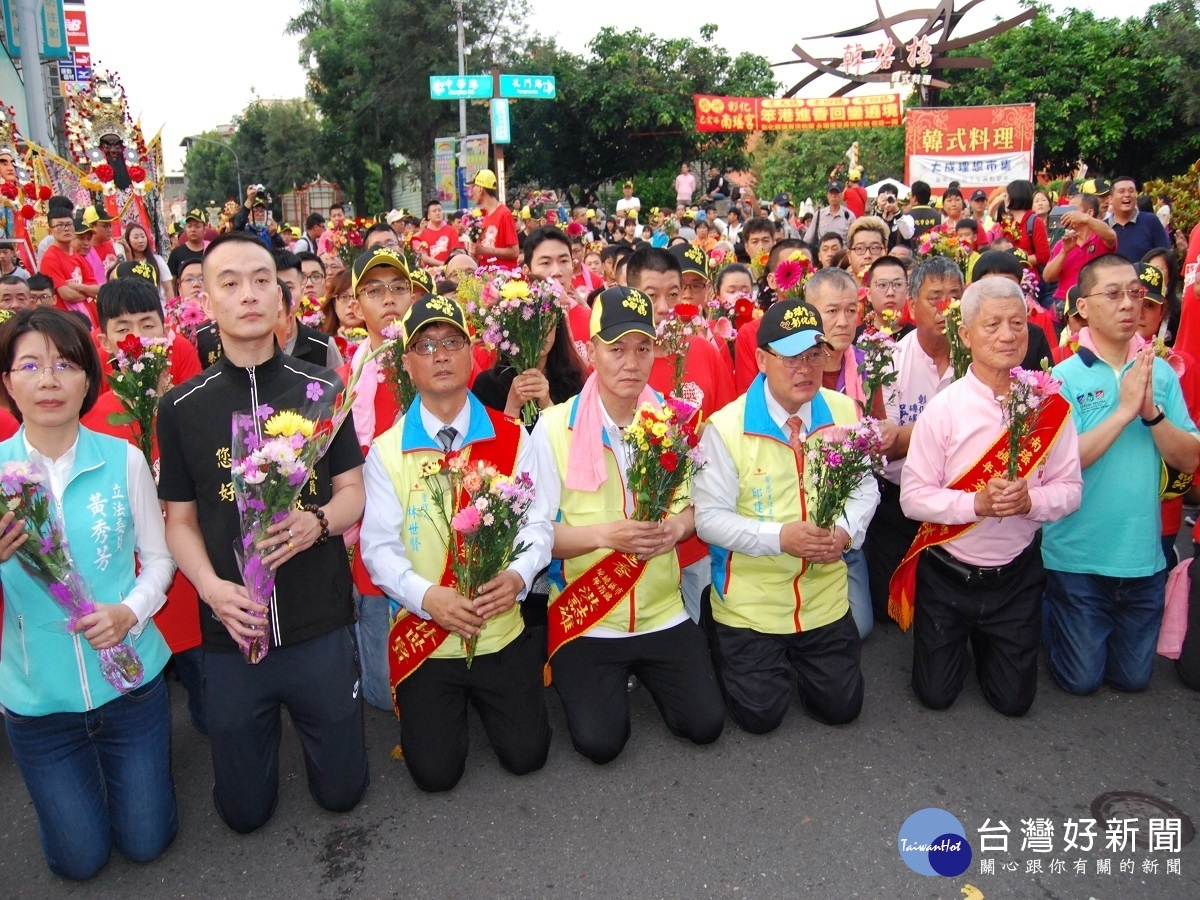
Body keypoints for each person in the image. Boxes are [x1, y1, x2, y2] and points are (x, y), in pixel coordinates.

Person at [158, 231, 369, 833]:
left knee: (343, 795)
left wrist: (318, 521)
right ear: (205, 300)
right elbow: (180, 521)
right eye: (229, 282)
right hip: (232, 629)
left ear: (282, 297)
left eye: (261, 280)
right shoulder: (181, 408)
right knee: (244, 814)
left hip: (318, 619)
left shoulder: (325, 390)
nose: (248, 294)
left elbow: (352, 492)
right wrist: (210, 589)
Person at [0, 306, 176, 879]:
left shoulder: (122, 459)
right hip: (38, 702)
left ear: (88, 379)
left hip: (131, 687)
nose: (48, 380)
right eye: (30, 365)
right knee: (79, 861)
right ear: (7, 382)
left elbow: (159, 560)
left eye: (65, 364)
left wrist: (129, 612)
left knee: (148, 841)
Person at [358, 292, 552, 790]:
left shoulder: (512, 436)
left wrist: (517, 575)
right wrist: (428, 598)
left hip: (500, 628)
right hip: (430, 635)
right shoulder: (386, 452)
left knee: (527, 755)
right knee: (435, 773)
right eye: (424, 346)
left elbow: (537, 524)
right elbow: (378, 549)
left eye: (451, 341)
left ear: (472, 354)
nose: (439, 355)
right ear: (406, 364)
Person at [530, 286, 725, 763]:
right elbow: (533, 535)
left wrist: (676, 530)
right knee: (601, 743)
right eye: (615, 349)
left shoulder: (672, 422)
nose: (630, 363)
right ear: (590, 350)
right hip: (589, 615)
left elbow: (701, 507)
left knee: (705, 725)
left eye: (642, 348)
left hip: (662, 609)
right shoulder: (554, 428)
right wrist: (605, 535)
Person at [896, 278, 1082, 715]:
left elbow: (1071, 490)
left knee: (1013, 703)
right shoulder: (944, 409)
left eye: (1017, 323)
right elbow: (913, 497)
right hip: (947, 574)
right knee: (936, 696)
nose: (1007, 335)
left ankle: (989, 642)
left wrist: (1030, 502)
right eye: (992, 324)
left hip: (1015, 577)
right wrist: (975, 504)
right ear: (965, 334)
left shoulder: (1049, 407)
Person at [695, 299, 875, 733]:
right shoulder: (725, 426)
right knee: (760, 717)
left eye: (816, 355)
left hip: (824, 601)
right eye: (791, 357)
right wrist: (781, 537)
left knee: (841, 709)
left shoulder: (845, 412)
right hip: (751, 607)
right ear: (760, 359)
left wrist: (846, 534)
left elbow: (866, 487)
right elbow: (709, 520)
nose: (806, 368)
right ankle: (719, 634)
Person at [1042, 254, 1200, 695]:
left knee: (1132, 680)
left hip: (1141, 558)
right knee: (1081, 680)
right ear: (1084, 307)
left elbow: (1189, 458)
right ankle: (1047, 611)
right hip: (1077, 558)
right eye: (1112, 294)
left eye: (1135, 293)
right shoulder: (1062, 378)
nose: (1128, 304)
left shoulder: (1160, 373)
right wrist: (1124, 410)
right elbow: (1061, 461)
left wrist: (1151, 413)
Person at [80, 278, 206, 733]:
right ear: (103, 339)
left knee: (208, 696)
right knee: (132, 704)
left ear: (167, 330)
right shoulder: (91, 418)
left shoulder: (191, 405)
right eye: (123, 327)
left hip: (189, 576)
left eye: (147, 325)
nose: (136, 338)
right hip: (123, 584)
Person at [864, 257, 962, 621]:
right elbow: (886, 446)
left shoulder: (976, 361)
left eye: (955, 296)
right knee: (889, 613)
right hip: (900, 505)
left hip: (962, 501)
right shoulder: (888, 360)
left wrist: (911, 434)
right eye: (935, 297)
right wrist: (951, 425)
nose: (946, 308)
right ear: (912, 305)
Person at [806, 268, 881, 638]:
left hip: (846, 514)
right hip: (798, 511)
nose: (843, 321)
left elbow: (879, 429)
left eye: (851, 310)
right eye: (832, 311)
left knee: (860, 628)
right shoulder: (795, 368)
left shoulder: (871, 363)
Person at [1042, 194, 1117, 306]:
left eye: (1073, 210)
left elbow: (1111, 237)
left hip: (1094, 302)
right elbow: (1047, 277)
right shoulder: (1063, 242)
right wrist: (1064, 251)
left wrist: (1087, 220)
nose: (1068, 214)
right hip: (1064, 303)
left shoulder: (1100, 238)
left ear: (1089, 213)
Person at [39, 206, 100, 325]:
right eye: (59, 225)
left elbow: (97, 290)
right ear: (51, 231)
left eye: (69, 224)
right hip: (67, 321)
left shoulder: (79, 257)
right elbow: (67, 295)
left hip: (89, 318)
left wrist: (77, 287)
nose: (66, 229)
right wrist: (87, 293)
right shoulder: (50, 258)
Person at [1106, 175, 1171, 264]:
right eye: (1121, 191)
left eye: (1131, 191)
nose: (1127, 195)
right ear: (1110, 199)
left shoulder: (1150, 221)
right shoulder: (1104, 228)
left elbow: (1166, 255)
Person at [470, 170, 519, 270]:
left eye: (473, 187)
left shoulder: (504, 214)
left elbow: (514, 252)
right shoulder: (483, 216)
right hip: (486, 277)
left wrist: (484, 250)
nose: (471, 192)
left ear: (480, 189)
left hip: (503, 277)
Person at [859, 256, 913, 338]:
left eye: (898, 284)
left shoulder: (918, 339)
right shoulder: (854, 340)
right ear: (869, 294)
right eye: (882, 285)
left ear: (907, 292)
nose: (890, 293)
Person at [121, 222, 173, 299]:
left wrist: (170, 309)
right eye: (136, 237)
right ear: (128, 240)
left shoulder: (157, 260)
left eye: (143, 236)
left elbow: (168, 289)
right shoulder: (125, 264)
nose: (141, 240)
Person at [808, 181, 856, 255]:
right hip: (823, 258)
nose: (833, 196)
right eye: (831, 193)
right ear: (827, 195)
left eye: (836, 193)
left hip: (842, 258)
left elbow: (854, 241)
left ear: (841, 195)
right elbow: (808, 238)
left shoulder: (849, 216)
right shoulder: (819, 215)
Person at [83, 205, 122, 285]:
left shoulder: (112, 245)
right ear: (91, 227)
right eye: (105, 226)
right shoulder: (85, 251)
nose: (109, 230)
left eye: (110, 225)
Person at [167, 210, 210, 282]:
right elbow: (172, 283)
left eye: (197, 226)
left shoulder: (211, 250)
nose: (193, 230)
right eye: (189, 226)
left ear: (204, 229)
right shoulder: (176, 253)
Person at [415, 199, 461, 266]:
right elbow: (424, 257)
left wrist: (448, 265)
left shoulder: (452, 230)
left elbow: (455, 252)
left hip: (449, 270)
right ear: (428, 215)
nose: (437, 213)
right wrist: (443, 265)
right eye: (434, 211)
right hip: (431, 272)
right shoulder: (423, 233)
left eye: (439, 210)